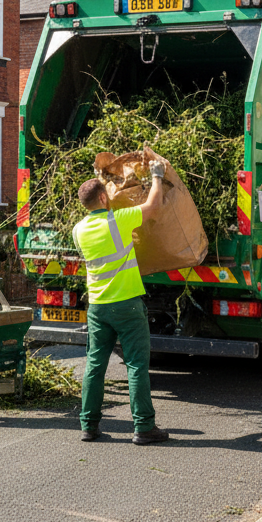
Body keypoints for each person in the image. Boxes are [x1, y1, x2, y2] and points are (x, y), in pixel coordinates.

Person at [73, 160, 169, 445]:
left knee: (94, 364)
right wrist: (157, 176)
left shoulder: (78, 230)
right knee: (137, 365)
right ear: (104, 198)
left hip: (98, 307)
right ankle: (143, 428)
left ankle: (88, 426)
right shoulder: (119, 219)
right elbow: (153, 206)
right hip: (126, 304)